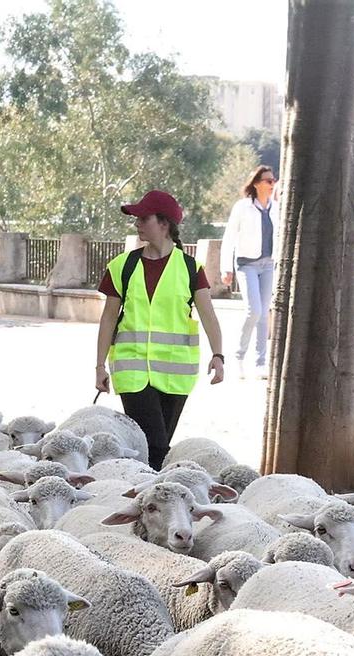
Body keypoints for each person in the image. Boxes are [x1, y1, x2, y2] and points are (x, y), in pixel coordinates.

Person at [95, 190, 225, 467]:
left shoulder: (191, 269)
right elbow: (108, 318)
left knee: (158, 448)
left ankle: (150, 500)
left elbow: (208, 315)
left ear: (164, 223)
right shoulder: (122, 266)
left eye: (144, 218)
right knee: (153, 442)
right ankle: (150, 499)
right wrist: (99, 366)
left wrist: (219, 355)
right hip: (132, 369)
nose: (137, 224)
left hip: (176, 372)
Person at [221, 165, 278, 375]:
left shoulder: (276, 207)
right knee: (253, 311)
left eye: (273, 181)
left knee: (264, 314)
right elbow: (229, 238)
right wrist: (226, 268)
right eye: (268, 181)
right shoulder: (242, 207)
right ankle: (239, 355)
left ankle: (260, 362)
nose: (272, 184)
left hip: (268, 264)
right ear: (256, 183)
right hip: (247, 264)